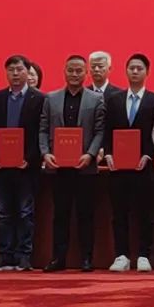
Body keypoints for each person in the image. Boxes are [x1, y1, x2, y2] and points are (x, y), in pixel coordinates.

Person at [39, 55, 105, 272]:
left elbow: (100, 131)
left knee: (86, 214)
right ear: (64, 71)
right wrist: (45, 154)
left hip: (85, 167)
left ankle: (86, 258)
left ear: (86, 73)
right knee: (60, 215)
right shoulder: (51, 98)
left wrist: (90, 154)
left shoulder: (96, 99)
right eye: (71, 70)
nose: (74, 74)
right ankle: (58, 258)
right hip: (58, 167)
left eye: (79, 71)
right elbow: (43, 129)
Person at [0, 54, 46, 272]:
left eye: (20, 70)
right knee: (2, 212)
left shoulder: (39, 99)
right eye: (11, 70)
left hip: (26, 167)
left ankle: (24, 256)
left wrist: (29, 158)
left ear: (28, 73)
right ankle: (5, 256)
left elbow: (42, 133)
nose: (16, 74)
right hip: (1, 166)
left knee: (25, 212)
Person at [103, 53, 154, 273]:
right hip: (118, 167)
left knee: (145, 213)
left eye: (139, 68)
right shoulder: (114, 99)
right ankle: (122, 255)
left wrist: (149, 154)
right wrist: (108, 153)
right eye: (131, 68)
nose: (135, 72)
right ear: (126, 71)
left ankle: (144, 255)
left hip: (144, 167)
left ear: (147, 72)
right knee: (119, 213)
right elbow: (107, 131)